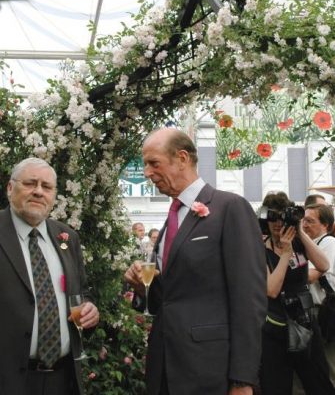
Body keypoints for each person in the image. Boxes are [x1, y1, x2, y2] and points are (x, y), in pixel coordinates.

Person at [125, 127, 267, 395]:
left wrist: (242, 379)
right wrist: (144, 284)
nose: (146, 173)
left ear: (182, 159)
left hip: (211, 371)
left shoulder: (229, 208)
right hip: (166, 367)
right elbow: (165, 300)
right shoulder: (172, 218)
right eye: (145, 164)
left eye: (154, 163)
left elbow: (249, 299)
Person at [0, 157, 100, 395]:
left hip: (62, 379)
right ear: (10, 188)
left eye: (46, 187)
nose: (38, 192)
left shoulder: (66, 237)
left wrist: (89, 311)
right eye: (30, 183)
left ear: (54, 195)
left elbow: (80, 294)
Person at [259, 192, 335, 395]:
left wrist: (299, 231)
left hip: (305, 323)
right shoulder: (260, 248)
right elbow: (271, 289)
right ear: (266, 218)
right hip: (276, 327)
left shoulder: (300, 242)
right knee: (277, 385)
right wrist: (285, 254)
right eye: (272, 217)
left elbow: (324, 264)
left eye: (282, 217)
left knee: (318, 382)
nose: (278, 223)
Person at [303, 203, 335, 385]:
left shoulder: (329, 243)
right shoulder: (309, 245)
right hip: (312, 311)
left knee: (329, 365)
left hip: (325, 311)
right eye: (303, 220)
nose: (304, 225)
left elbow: (313, 275)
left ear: (325, 225)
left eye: (310, 221)